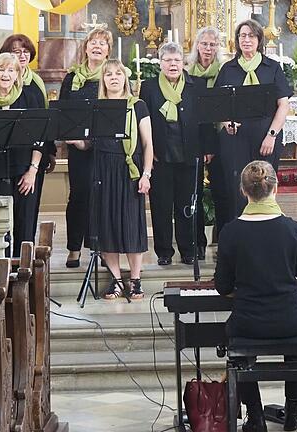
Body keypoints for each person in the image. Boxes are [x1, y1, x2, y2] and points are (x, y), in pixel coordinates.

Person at [215, 160, 297, 432]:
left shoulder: (231, 231)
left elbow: (222, 286)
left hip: (249, 322)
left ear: (243, 191)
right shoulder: (293, 229)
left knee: (238, 344)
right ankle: (293, 410)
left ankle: (256, 417)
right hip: (291, 320)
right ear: (276, 188)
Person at [214, 20, 292, 230]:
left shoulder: (272, 67)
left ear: (259, 40)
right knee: (237, 189)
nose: (246, 40)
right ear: (237, 41)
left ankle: (266, 233)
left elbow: (283, 104)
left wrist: (272, 135)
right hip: (235, 138)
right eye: (242, 36)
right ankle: (240, 236)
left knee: (265, 186)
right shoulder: (228, 69)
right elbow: (219, 105)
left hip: (266, 136)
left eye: (251, 36)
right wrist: (226, 123)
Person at [141, 42, 209, 266]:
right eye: (168, 60)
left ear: (183, 63)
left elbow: (205, 120)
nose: (173, 64)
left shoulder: (196, 85)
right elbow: (144, 121)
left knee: (187, 206)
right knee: (161, 207)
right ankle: (164, 252)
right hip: (160, 156)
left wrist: (208, 148)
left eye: (177, 60)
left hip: (189, 155)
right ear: (160, 63)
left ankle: (188, 250)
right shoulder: (149, 87)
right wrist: (148, 153)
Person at [92, 59, 153, 299]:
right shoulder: (97, 107)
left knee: (131, 224)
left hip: (130, 169)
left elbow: (148, 144)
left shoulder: (138, 106)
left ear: (125, 79)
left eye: (118, 74)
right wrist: (77, 140)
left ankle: (135, 279)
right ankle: (117, 280)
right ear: (103, 80)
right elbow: (89, 142)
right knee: (106, 224)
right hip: (103, 169)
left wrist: (146, 174)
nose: (114, 78)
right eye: (109, 74)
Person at [0, 53, 44, 257]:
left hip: (25, 168)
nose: (5, 74)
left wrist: (32, 170)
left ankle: (24, 273)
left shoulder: (29, 98)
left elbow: (41, 139)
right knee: (1, 225)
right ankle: (3, 272)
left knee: (24, 224)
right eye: (1, 69)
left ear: (18, 74)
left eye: (11, 70)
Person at [59, 27, 112, 268]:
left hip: (104, 148)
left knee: (102, 198)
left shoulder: (112, 76)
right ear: (86, 47)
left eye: (103, 43)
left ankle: (99, 246)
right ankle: (74, 248)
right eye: (93, 42)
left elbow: (117, 112)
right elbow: (62, 112)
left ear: (108, 50)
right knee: (78, 196)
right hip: (79, 150)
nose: (97, 46)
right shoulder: (72, 78)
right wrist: (77, 140)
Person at [0, 34, 53, 248]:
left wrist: (35, 166)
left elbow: (43, 128)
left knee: (26, 217)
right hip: (3, 164)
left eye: (25, 51)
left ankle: (25, 267)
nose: (21, 56)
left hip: (30, 160)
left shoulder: (34, 88)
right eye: (16, 51)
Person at [186, 27, 225, 244]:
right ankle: (196, 240)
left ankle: (221, 235)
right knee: (195, 191)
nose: (208, 48)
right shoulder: (187, 72)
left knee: (222, 188)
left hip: (221, 136)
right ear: (197, 45)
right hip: (195, 136)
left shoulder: (225, 70)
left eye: (212, 44)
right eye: (204, 44)